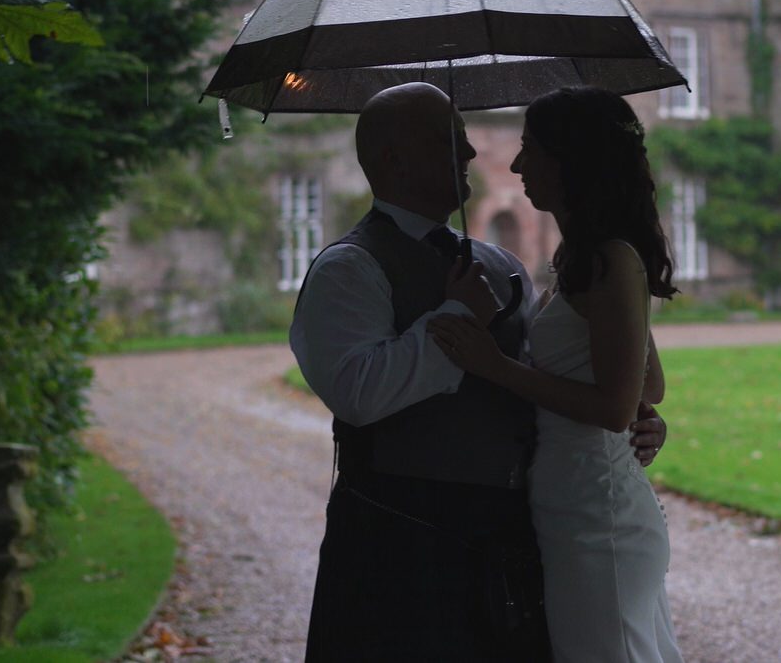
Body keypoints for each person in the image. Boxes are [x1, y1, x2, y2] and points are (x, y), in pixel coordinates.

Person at [289, 82, 666, 661]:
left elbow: (561, 376)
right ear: (394, 159)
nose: (470, 153)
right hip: (403, 536)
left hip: (516, 532)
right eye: (449, 140)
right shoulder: (349, 268)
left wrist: (636, 416)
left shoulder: (500, 263)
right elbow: (358, 392)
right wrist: (457, 316)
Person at [429, 86, 684, 663]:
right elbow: (648, 387)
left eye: (531, 149)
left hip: (600, 515)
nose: (518, 164)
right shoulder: (581, 258)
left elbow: (619, 405)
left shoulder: (612, 260)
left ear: (571, 159)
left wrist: (495, 366)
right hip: (571, 503)